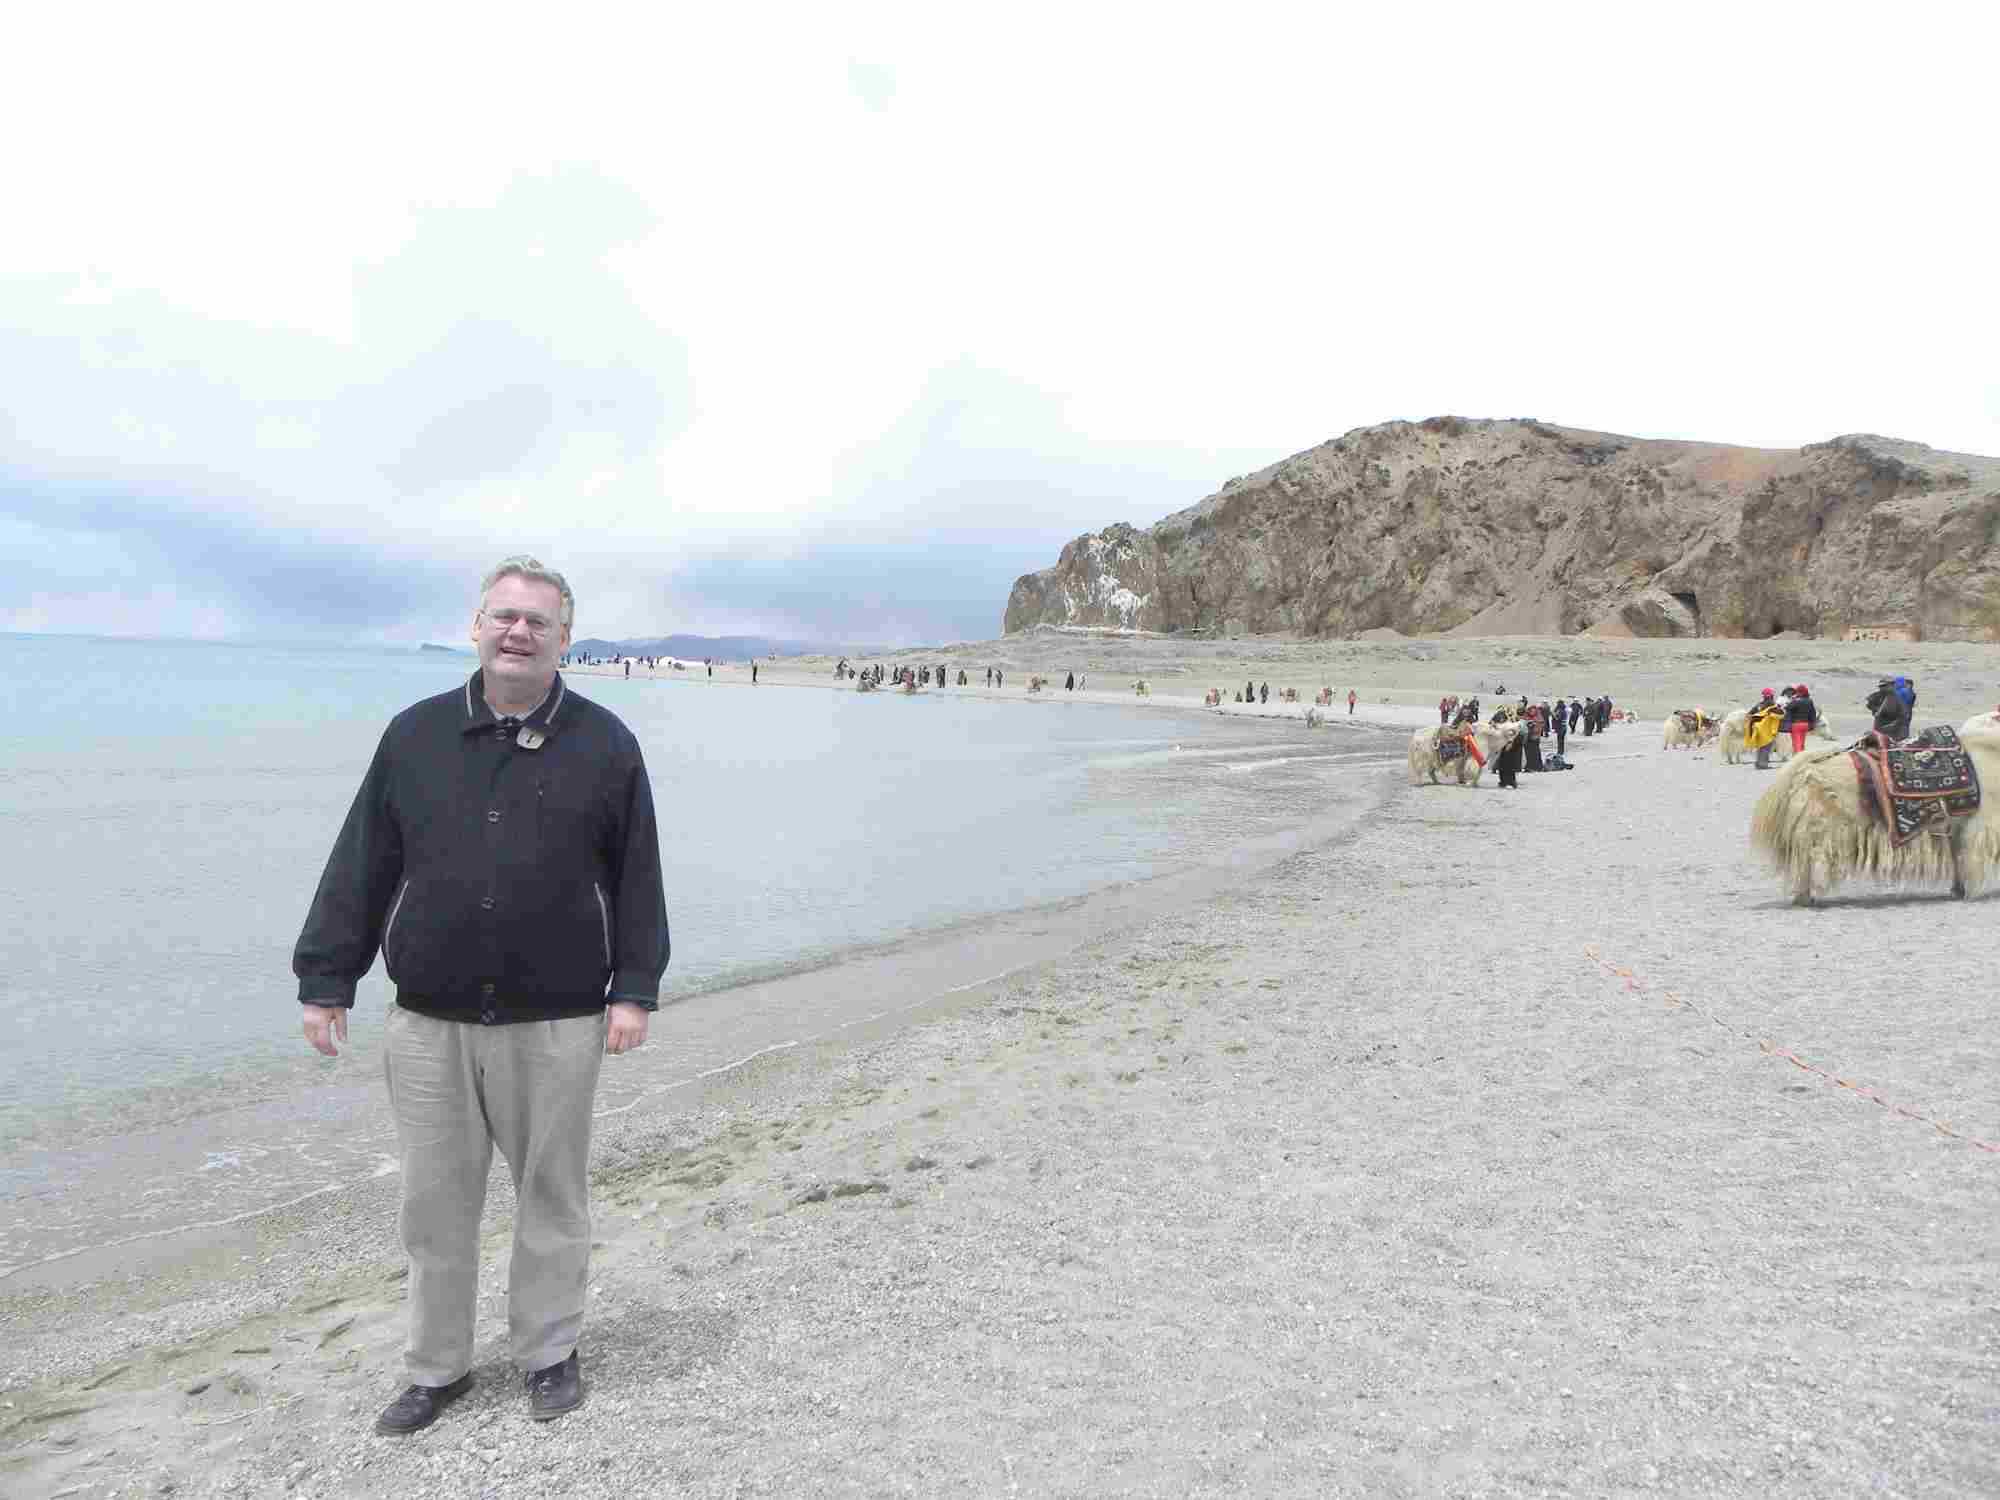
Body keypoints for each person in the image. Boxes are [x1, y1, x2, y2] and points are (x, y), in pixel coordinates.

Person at [293, 556, 668, 1435]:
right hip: (430, 1021)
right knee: (434, 1205)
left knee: (552, 1196)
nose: (518, 632)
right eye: (504, 616)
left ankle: (548, 1352)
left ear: (565, 638)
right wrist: (326, 978)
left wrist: (634, 989)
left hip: (558, 1018)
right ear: (476, 626)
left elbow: (637, 874)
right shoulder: (414, 735)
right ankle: (437, 1367)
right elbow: (362, 862)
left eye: (538, 621)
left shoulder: (607, 743)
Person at [1781, 683, 1817, 756]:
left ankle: (1798, 758)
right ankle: (1802, 757)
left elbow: (1787, 708)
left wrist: (1792, 699)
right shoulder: (1809, 701)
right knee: (1802, 743)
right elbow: (1813, 713)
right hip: (1806, 725)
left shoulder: (1796, 701)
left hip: (1796, 725)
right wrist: (1812, 724)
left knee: (1797, 744)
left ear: (1800, 693)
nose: (1796, 693)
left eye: (1797, 692)